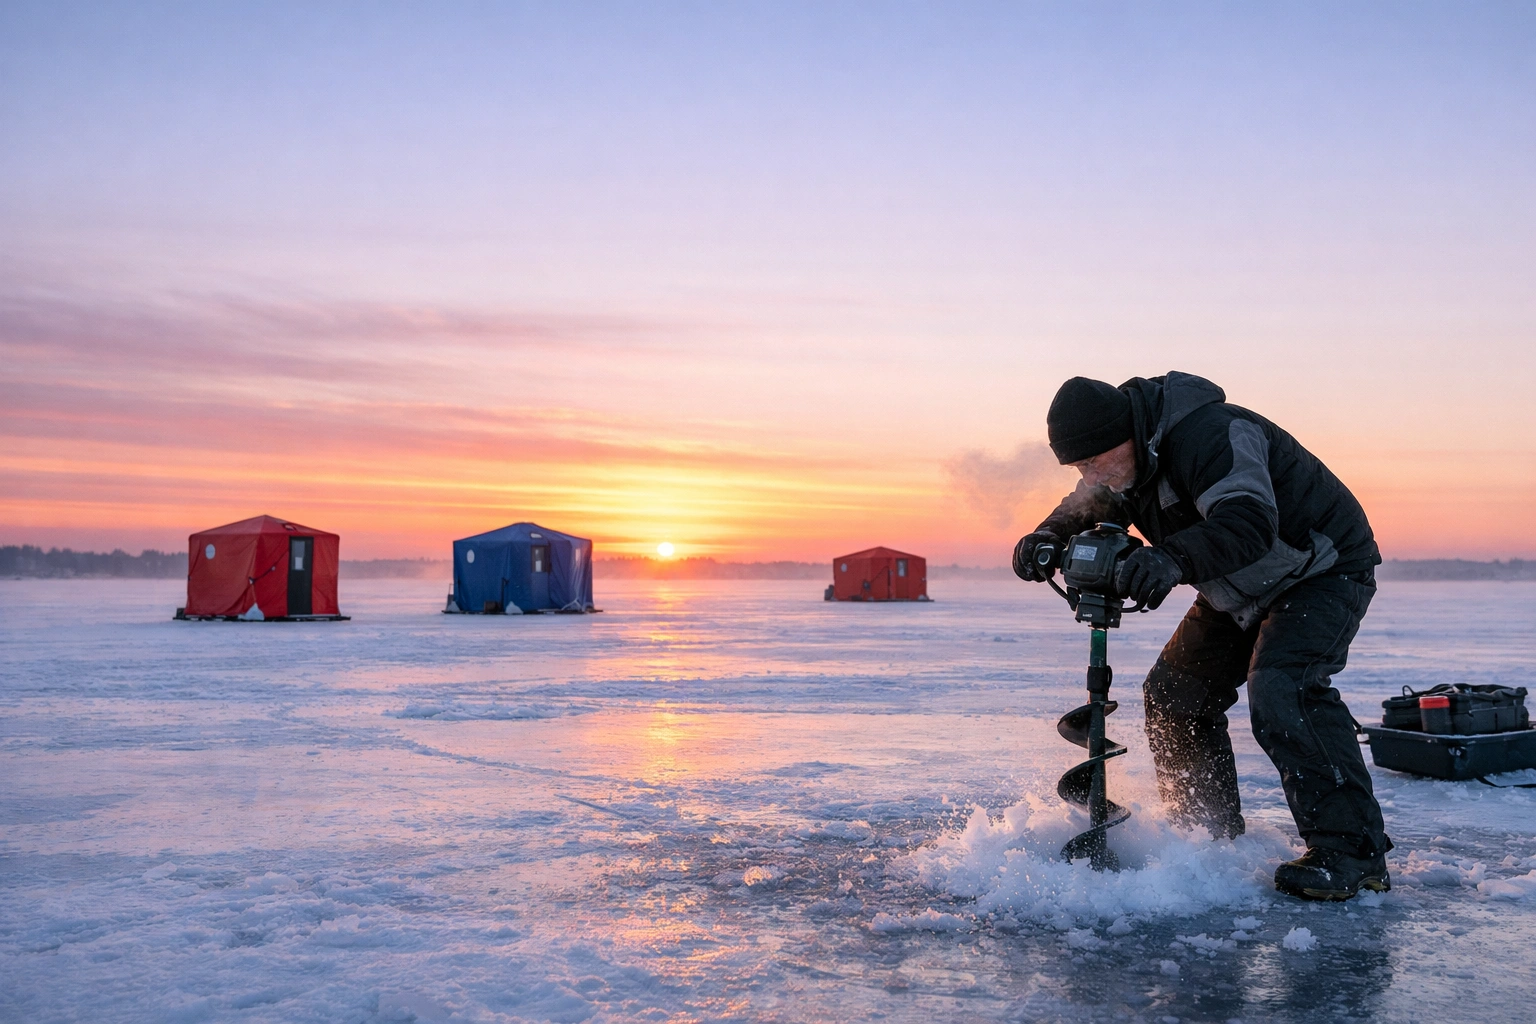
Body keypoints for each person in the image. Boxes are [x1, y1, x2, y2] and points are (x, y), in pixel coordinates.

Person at [1013, 372, 1391, 901]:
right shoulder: (1127, 465)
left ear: (1127, 433)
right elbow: (1091, 503)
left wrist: (1171, 559)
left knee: (1285, 686)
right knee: (1174, 694)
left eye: (1094, 460)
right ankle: (1206, 834)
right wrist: (1047, 536)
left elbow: (1250, 522)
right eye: (1078, 466)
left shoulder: (1211, 435)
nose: (1090, 474)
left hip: (1319, 571)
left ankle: (1353, 855)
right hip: (1236, 586)